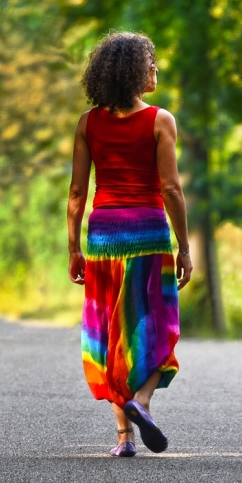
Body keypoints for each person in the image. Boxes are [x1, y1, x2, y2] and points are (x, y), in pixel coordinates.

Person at [67, 31, 192, 458]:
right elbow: (172, 189)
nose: (156, 70)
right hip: (149, 236)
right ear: (138, 72)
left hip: (103, 237)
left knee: (111, 331)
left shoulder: (88, 123)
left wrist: (73, 247)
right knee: (156, 326)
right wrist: (185, 248)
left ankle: (124, 438)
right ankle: (141, 401)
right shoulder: (160, 120)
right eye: (151, 63)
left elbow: (77, 194)